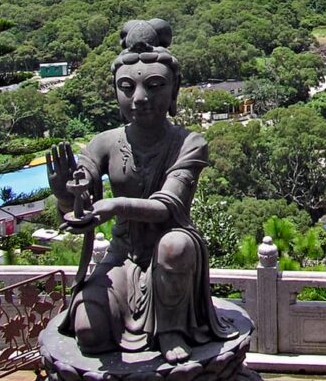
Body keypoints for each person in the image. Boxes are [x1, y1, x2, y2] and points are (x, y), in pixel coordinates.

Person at [46, 19, 236, 363]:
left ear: (173, 90)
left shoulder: (189, 143)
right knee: (89, 333)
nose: (140, 98)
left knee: (174, 245)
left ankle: (172, 328)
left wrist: (115, 205)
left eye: (154, 85)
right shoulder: (104, 143)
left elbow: (167, 206)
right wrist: (66, 194)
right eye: (127, 87)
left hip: (174, 254)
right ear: (115, 91)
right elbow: (82, 192)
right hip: (123, 255)